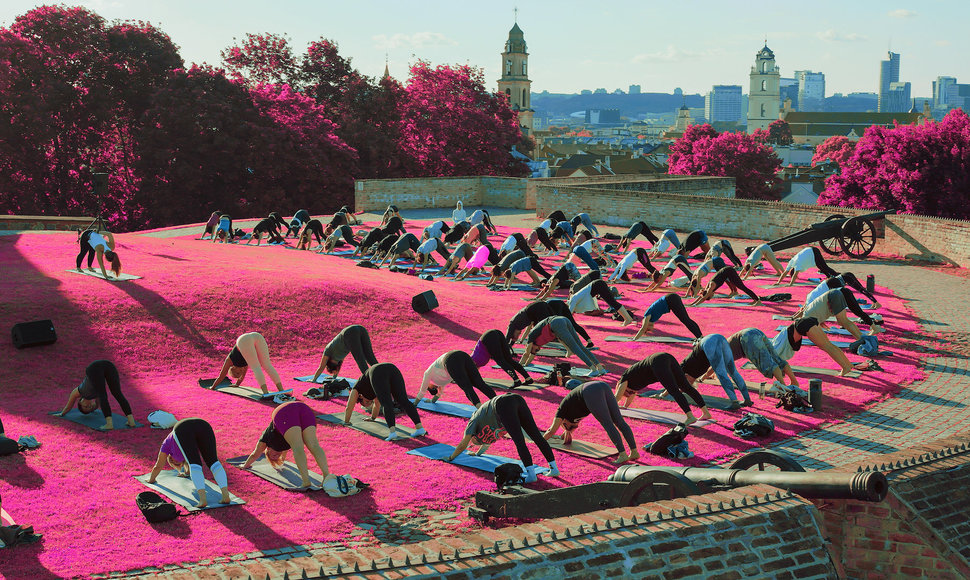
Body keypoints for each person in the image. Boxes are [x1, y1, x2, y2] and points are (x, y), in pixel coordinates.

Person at [446, 393, 558, 483]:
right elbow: (486, 443)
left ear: (475, 435)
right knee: (537, 436)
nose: (479, 442)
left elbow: (462, 445)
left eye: (476, 441)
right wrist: (477, 454)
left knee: (520, 441)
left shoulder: (472, 422)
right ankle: (554, 469)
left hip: (503, 404)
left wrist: (450, 457)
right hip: (516, 399)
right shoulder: (484, 426)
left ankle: (531, 475)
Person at [544, 379, 638, 463]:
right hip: (602, 385)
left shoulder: (561, 411)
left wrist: (539, 442)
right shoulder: (572, 413)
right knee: (619, 421)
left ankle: (622, 454)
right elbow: (570, 427)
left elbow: (551, 430)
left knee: (608, 423)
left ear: (563, 421)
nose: (575, 427)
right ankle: (634, 452)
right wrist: (567, 433)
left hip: (591, 391)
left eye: (570, 427)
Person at [242, 401, 329, 489]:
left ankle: (307, 481)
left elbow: (255, 454)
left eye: (272, 456)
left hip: (283, 412)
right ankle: (326, 477)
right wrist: (281, 460)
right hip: (303, 408)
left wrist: (245, 465)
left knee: (300, 447)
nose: (276, 455)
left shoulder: (265, 441)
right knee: (313, 445)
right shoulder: (284, 448)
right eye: (277, 457)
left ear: (267, 450)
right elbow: (283, 458)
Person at [147, 418, 230, 508]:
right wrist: (186, 473)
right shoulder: (185, 449)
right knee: (213, 462)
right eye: (178, 464)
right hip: (203, 425)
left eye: (173, 461)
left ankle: (203, 500)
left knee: (197, 464)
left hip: (182, 428)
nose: (175, 461)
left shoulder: (167, 445)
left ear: (170, 456)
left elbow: (158, 466)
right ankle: (225, 496)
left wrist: (151, 479)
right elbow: (188, 458)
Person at [613, 353, 713, 425]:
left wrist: (611, 407)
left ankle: (690, 416)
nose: (631, 393)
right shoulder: (632, 385)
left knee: (674, 390)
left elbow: (617, 396)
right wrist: (625, 406)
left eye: (629, 392)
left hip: (658, 362)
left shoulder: (624, 379)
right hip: (667, 357)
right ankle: (706, 413)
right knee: (686, 387)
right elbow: (630, 395)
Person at [341, 363, 426, 441]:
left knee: (388, 403)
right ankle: (420, 428)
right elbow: (377, 405)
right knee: (402, 400)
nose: (369, 403)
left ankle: (393, 433)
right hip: (391, 368)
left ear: (360, 396)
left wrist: (346, 422)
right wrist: (373, 418)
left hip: (379, 372)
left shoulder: (357, 388)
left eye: (366, 402)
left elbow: (349, 406)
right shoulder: (373, 387)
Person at [53, 360, 135, 430]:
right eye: (90, 407)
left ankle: (109, 424)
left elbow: (69, 405)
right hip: (108, 365)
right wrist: (94, 408)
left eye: (85, 407)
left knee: (107, 394)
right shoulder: (96, 398)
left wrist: (61, 414)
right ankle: (131, 421)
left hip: (93, 368)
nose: (89, 406)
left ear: (80, 402)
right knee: (116, 393)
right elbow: (99, 405)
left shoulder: (78, 392)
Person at [680, 334, 753, 409]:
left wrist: (674, 390)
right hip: (720, 339)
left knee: (722, 374)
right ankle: (747, 400)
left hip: (709, 342)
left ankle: (734, 402)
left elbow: (678, 381)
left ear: (685, 376)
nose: (690, 384)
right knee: (732, 372)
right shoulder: (692, 371)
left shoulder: (685, 368)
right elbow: (711, 369)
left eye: (688, 383)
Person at [771, 316, 862, 377]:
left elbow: (778, 356)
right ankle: (848, 364)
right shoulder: (779, 340)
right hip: (807, 321)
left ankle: (846, 367)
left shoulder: (775, 347)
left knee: (827, 346)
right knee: (829, 345)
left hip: (803, 325)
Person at [519, 316, 608, 377]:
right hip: (562, 320)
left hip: (556, 323)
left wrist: (519, 366)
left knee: (576, 348)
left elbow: (527, 354)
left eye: (534, 350)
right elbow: (560, 338)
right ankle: (600, 368)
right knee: (581, 347)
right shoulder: (541, 340)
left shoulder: (531, 337)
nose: (537, 350)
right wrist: (526, 366)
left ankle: (593, 369)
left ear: (531, 346)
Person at [414, 351, 497, 407]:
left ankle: (482, 409)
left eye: (431, 388)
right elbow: (439, 394)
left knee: (468, 387)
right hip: (462, 355)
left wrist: (414, 404)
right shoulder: (441, 382)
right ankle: (497, 402)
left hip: (451, 359)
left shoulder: (428, 374)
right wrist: (432, 401)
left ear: (429, 385)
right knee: (478, 383)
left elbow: (422, 391)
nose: (434, 387)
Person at [797, 287, 882, 340]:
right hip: (835, 293)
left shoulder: (808, 319)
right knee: (845, 320)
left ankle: (862, 340)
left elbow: (819, 334)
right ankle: (862, 338)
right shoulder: (808, 316)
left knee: (843, 321)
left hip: (833, 296)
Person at [212, 332, 284, 395]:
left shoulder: (230, 360)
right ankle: (281, 390)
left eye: (237, 374)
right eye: (239, 375)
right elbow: (242, 377)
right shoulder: (244, 366)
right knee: (266, 365)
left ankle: (266, 392)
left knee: (256, 367)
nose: (240, 374)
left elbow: (222, 375)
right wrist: (236, 384)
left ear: (233, 369)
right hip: (256, 336)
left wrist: (213, 387)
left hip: (243, 340)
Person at [724, 328, 799, 388]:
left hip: (747, 338)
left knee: (768, 363)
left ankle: (782, 386)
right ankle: (794, 381)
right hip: (754, 331)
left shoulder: (716, 355)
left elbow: (716, 366)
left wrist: (712, 375)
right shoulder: (721, 347)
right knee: (777, 359)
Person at [311, 325, 378, 381]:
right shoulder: (339, 358)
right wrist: (334, 377)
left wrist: (313, 380)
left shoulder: (328, 350)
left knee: (362, 358)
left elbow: (321, 367)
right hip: (361, 329)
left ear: (329, 361)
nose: (337, 362)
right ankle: (381, 376)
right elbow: (337, 367)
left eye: (334, 364)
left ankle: (369, 380)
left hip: (349, 333)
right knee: (369, 357)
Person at [632, 294, 703, 339]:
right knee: (686, 319)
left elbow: (642, 329)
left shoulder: (646, 316)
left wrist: (634, 339)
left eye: (648, 329)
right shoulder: (652, 320)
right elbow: (644, 329)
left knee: (685, 320)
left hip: (671, 299)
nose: (650, 329)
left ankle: (699, 337)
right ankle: (700, 336)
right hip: (671, 299)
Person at [567, 279, 635, 326]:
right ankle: (627, 318)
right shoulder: (573, 299)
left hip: (598, 285)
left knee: (613, 303)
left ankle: (628, 319)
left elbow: (569, 314)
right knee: (613, 303)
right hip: (598, 285)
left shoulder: (573, 300)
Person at [689, 266, 761, 306]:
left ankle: (757, 301)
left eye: (711, 296)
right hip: (727, 273)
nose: (713, 295)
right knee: (741, 286)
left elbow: (704, 298)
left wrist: (695, 305)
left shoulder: (711, 286)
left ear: (709, 294)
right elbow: (702, 296)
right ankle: (755, 299)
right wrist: (692, 303)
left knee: (742, 287)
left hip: (729, 271)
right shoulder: (707, 288)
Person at [803, 273, 880, 309]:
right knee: (862, 289)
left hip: (847, 278)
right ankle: (874, 302)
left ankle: (876, 302)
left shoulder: (814, 296)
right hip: (846, 277)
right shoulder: (813, 296)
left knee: (861, 290)